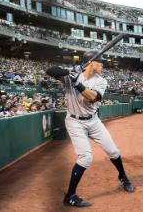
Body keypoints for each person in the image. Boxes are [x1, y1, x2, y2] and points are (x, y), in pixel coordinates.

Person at [46, 51, 134, 207]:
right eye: (100, 62)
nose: (102, 65)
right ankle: (70, 196)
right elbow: (50, 70)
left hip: (93, 121)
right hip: (74, 122)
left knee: (113, 152)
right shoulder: (72, 74)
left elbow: (93, 97)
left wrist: (77, 83)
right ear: (91, 63)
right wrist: (70, 72)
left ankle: (123, 177)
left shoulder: (101, 81)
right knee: (85, 157)